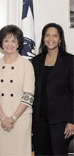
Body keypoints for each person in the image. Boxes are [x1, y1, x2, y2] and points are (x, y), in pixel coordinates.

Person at [0, 25, 35, 156]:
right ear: (1, 43)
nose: (10, 44)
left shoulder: (26, 65)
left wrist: (12, 119)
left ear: (19, 43)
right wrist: (4, 118)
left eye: (13, 41)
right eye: (6, 40)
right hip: (0, 119)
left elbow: (28, 96)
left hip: (20, 120)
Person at [32, 23, 74, 155]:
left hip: (61, 122)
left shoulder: (70, 61)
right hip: (39, 122)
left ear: (60, 39)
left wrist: (72, 121)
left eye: (55, 36)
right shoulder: (36, 61)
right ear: (43, 38)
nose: (51, 39)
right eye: (47, 35)